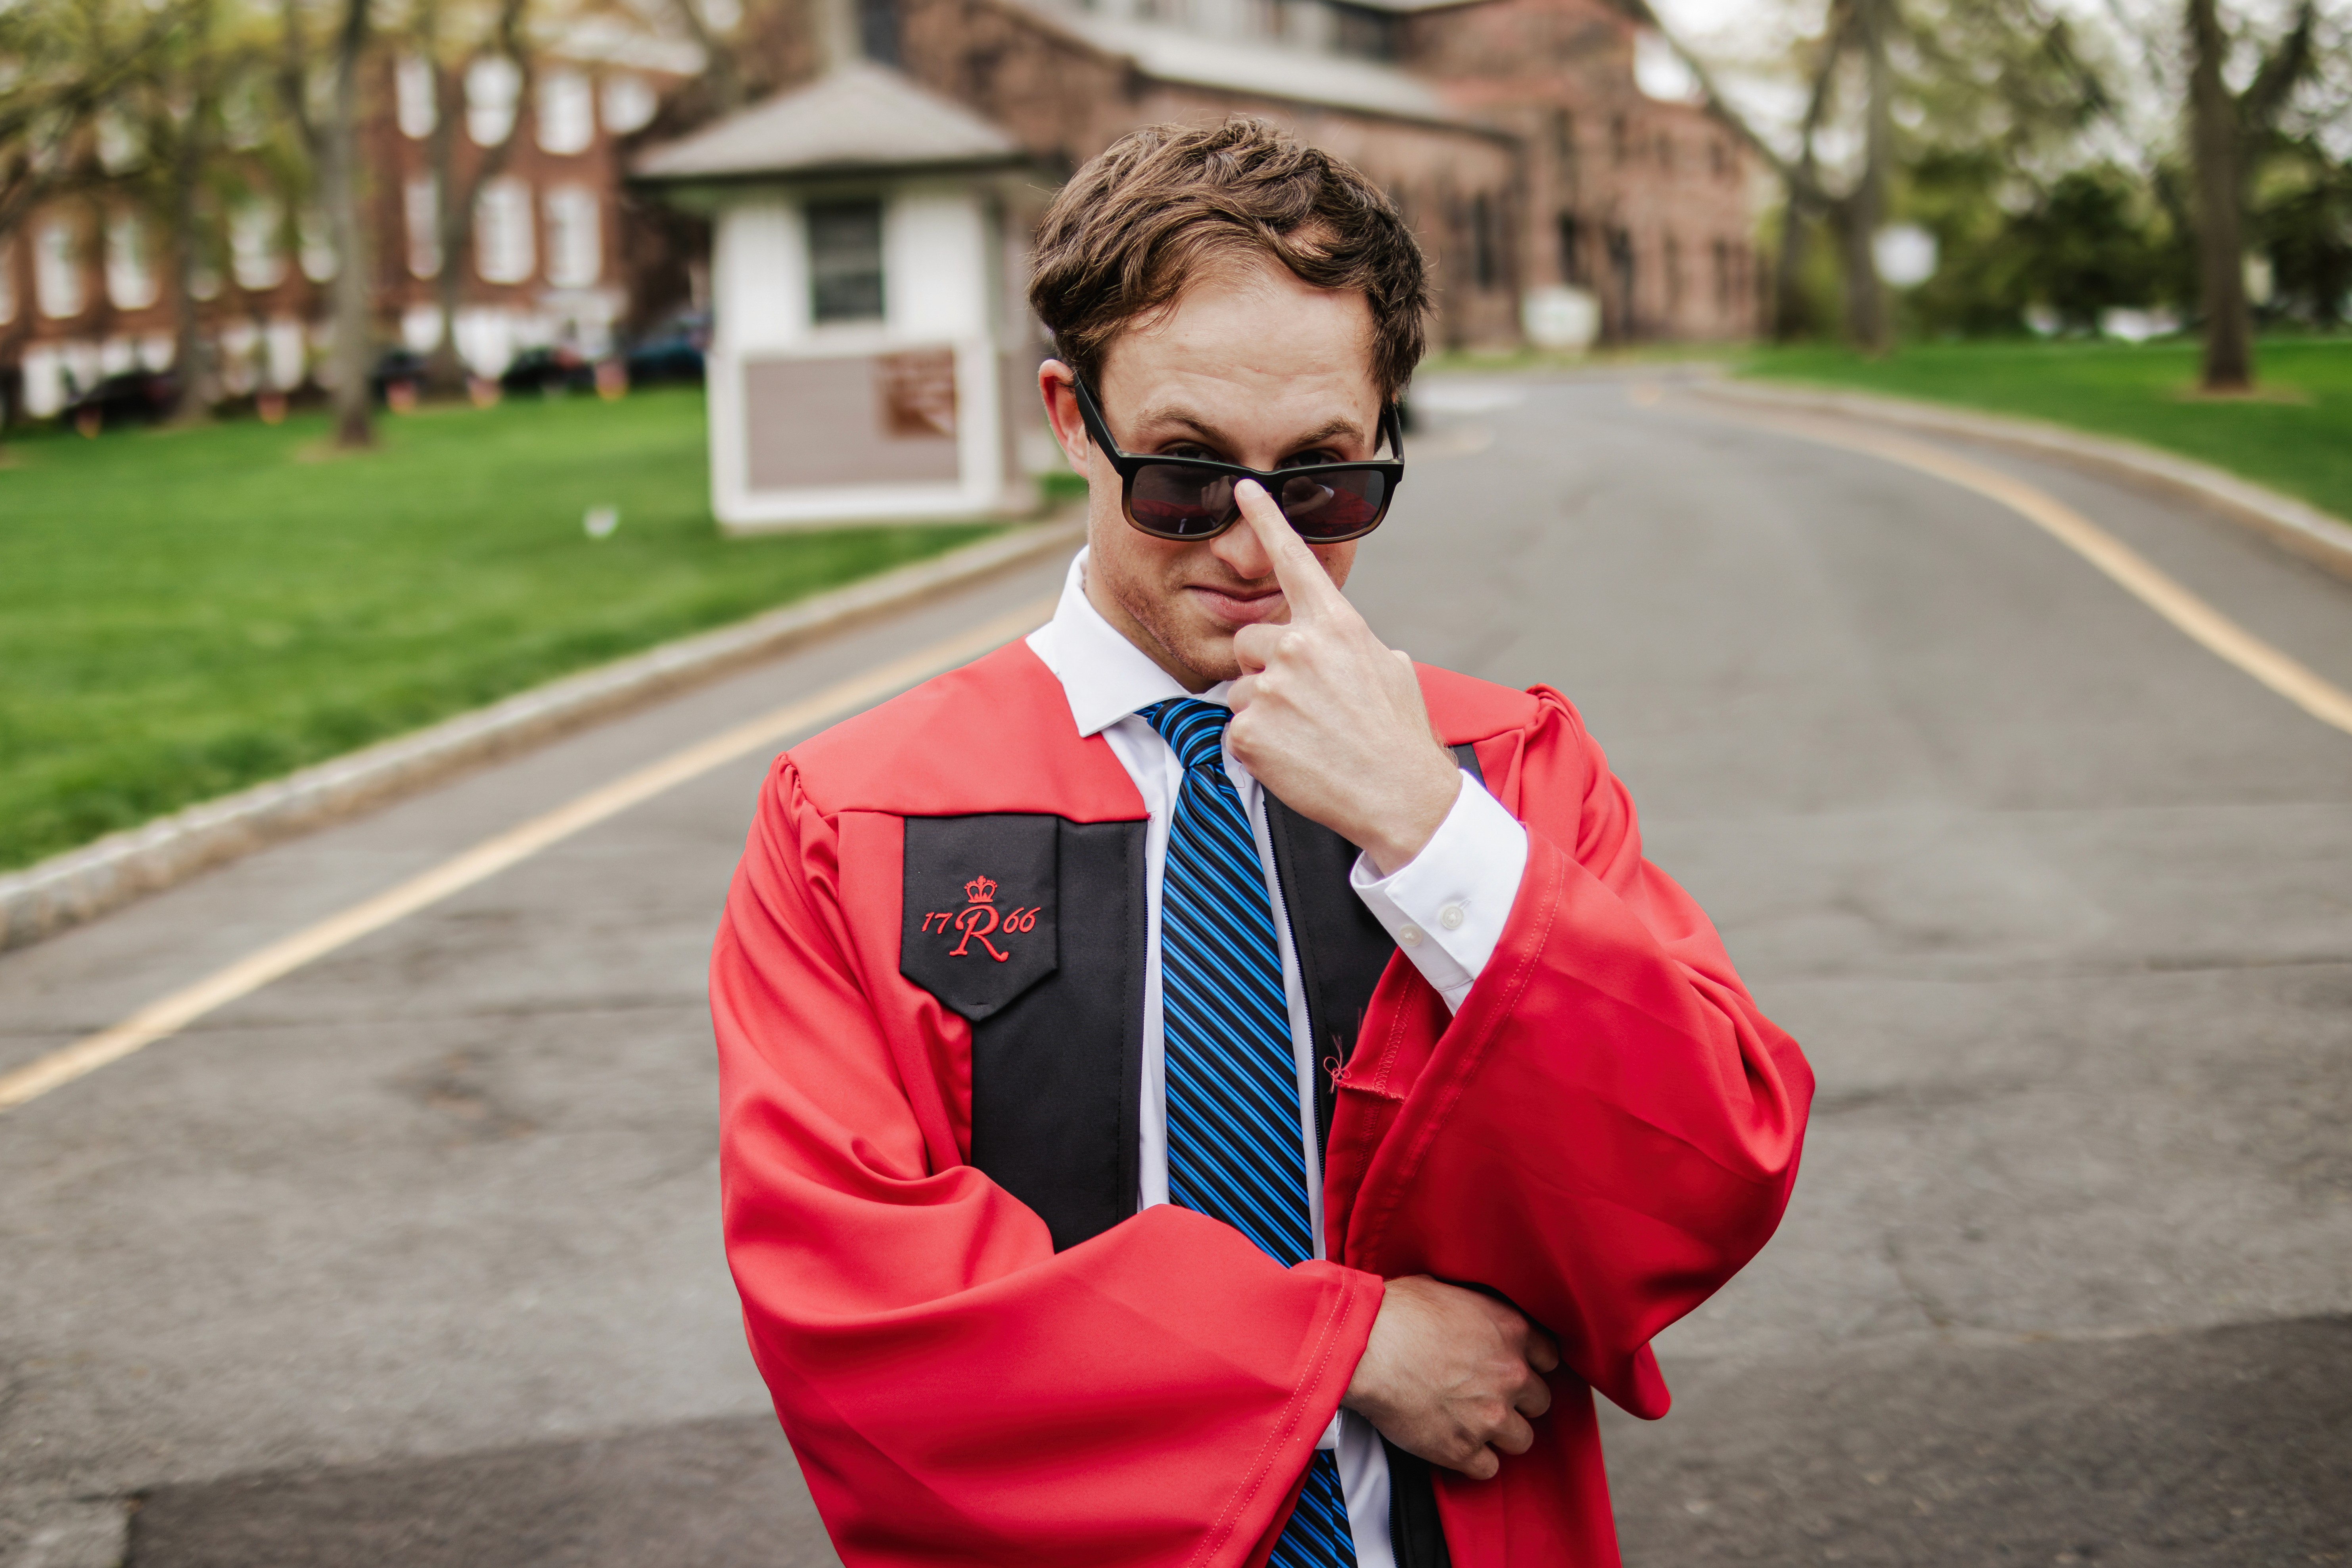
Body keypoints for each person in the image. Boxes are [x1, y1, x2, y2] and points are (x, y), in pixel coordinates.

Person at [709, 117, 1813, 1568]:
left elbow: (1708, 1167)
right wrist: (1339, 1346)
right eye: (1184, 473)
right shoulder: (850, 819)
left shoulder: (1501, 774)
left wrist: (1429, 831)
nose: (1254, 548)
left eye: (1322, 479)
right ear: (1069, 416)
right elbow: (854, 1301)